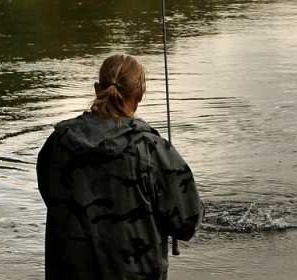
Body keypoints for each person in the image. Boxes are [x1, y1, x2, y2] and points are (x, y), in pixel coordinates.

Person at [37, 54, 201, 279]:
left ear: (97, 89)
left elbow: (51, 195)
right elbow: (186, 223)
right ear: (140, 93)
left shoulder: (58, 142)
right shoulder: (151, 148)